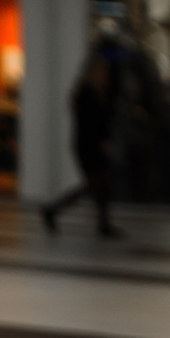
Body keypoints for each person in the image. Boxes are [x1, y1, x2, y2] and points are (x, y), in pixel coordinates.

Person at [44, 45, 125, 237]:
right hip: (88, 146)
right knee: (94, 185)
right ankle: (52, 211)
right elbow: (90, 123)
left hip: (93, 145)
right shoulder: (85, 93)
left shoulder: (97, 91)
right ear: (92, 72)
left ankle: (101, 224)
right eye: (100, 71)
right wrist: (102, 142)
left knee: (99, 185)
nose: (104, 75)